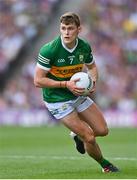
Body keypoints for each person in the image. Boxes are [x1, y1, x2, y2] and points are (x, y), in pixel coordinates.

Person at [34, 12, 119, 173]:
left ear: (79, 29)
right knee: (89, 136)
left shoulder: (84, 47)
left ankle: (76, 134)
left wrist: (93, 82)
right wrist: (66, 84)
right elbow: (38, 80)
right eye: (63, 28)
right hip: (56, 99)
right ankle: (105, 165)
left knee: (102, 131)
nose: (66, 32)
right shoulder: (49, 50)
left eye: (70, 28)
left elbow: (92, 67)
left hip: (77, 94)